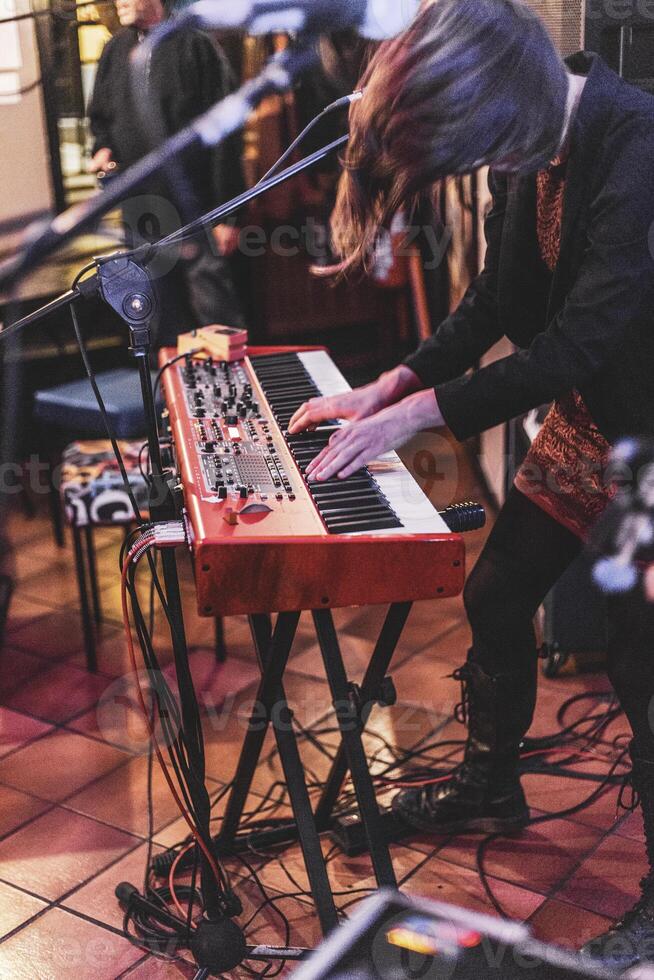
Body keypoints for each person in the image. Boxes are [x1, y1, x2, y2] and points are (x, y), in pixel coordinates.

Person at [288, 0, 654, 969]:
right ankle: (493, 781)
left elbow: (578, 338)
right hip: (598, 413)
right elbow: (496, 300)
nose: (489, 171)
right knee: (496, 591)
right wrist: (395, 380)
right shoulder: (527, 136)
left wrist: (420, 418)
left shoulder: (635, 142)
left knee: (642, 662)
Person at [88, 0, 245, 345]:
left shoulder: (197, 44)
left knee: (215, 313)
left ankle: (233, 391)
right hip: (142, 210)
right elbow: (101, 118)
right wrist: (103, 148)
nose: (120, 3)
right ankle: (170, 396)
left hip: (197, 208)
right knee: (157, 315)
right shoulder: (116, 49)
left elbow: (227, 133)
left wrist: (229, 214)